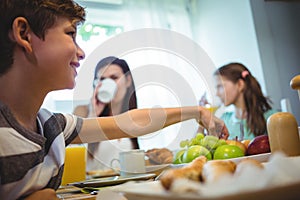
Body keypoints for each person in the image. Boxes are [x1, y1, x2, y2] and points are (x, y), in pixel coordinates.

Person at [0, 0, 228, 199]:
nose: (81, 53)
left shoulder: (53, 126)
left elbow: (130, 122)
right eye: (70, 34)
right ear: (24, 34)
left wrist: (197, 112)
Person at [73, 56, 140, 171]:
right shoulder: (83, 112)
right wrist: (93, 116)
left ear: (128, 80)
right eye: (102, 79)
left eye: (114, 78)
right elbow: (73, 159)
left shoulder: (134, 116)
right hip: (93, 186)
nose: (108, 83)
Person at [214, 62, 277, 141]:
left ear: (240, 84)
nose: (217, 94)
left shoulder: (272, 118)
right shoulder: (223, 121)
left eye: (220, 86)